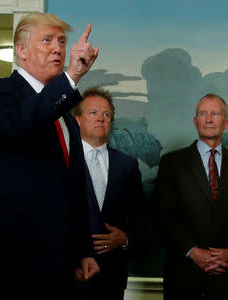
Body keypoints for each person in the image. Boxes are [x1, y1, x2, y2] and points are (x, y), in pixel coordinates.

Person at [0, 12, 100, 299]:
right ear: (22, 50)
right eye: (47, 40)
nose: (58, 48)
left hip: (61, 265)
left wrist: (83, 251)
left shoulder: (65, 116)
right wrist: (71, 77)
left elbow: (75, 188)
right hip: (11, 260)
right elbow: (19, 125)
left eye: (62, 41)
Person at [154, 93, 228, 300]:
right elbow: (163, 216)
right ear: (195, 121)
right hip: (183, 278)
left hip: (226, 279)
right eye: (203, 114)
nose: (209, 119)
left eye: (215, 114)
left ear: (227, 122)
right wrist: (192, 251)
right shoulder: (172, 163)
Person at [73, 87, 145, 299]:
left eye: (106, 115)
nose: (100, 119)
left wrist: (126, 238)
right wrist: (74, 260)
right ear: (78, 119)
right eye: (93, 113)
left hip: (112, 277)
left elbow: (140, 216)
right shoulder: (63, 161)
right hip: (72, 275)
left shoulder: (127, 165)